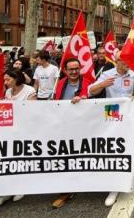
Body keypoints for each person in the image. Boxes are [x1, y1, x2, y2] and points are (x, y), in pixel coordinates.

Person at [88, 53, 134, 207]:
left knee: (130, 142)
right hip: (111, 113)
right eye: (126, 61)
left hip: (128, 114)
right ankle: (113, 183)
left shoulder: (133, 75)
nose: (128, 64)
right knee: (114, 145)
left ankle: (127, 175)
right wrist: (102, 85)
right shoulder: (106, 74)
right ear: (117, 62)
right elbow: (91, 90)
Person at [51, 58, 94, 209]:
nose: (74, 72)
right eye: (71, 69)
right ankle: (68, 185)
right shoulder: (60, 83)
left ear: (80, 68)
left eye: (76, 68)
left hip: (83, 127)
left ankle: (82, 180)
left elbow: (96, 100)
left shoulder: (89, 82)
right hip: (64, 126)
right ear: (65, 71)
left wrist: (84, 99)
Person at [0, 70, 34, 208]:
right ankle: (5, 192)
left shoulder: (29, 90)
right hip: (8, 130)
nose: (5, 82)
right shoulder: (8, 92)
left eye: (8, 79)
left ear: (16, 78)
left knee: (21, 159)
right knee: (8, 159)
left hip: (24, 130)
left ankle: (21, 187)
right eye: (5, 80)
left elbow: (32, 110)